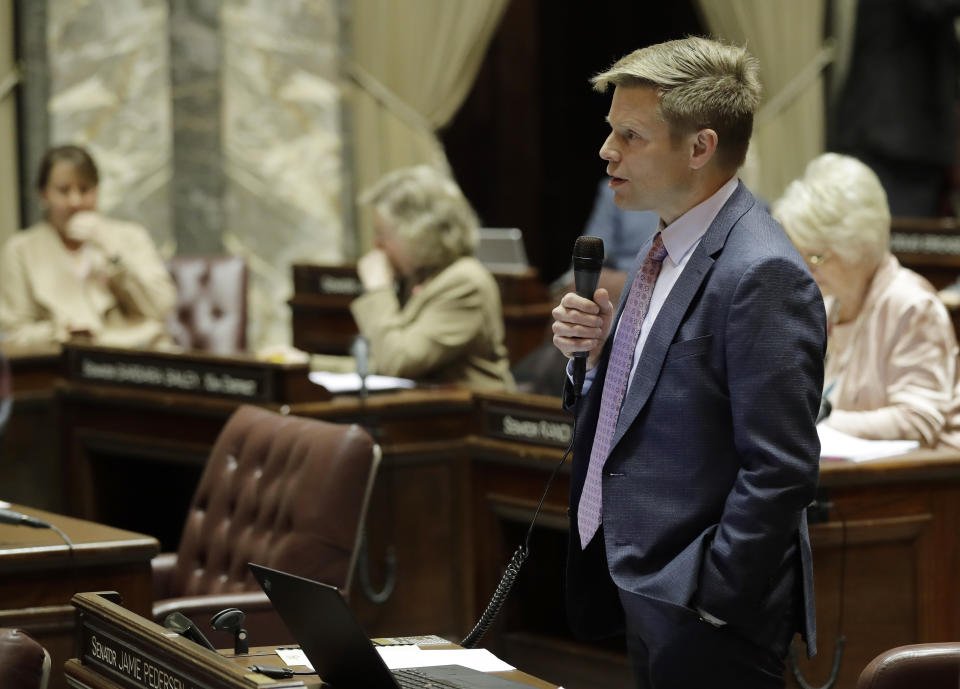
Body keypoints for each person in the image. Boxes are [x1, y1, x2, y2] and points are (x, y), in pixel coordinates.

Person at [550, 38, 826, 688]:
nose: (606, 150)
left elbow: (782, 469)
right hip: (646, 586)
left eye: (631, 135)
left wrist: (712, 596)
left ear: (700, 147)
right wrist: (588, 360)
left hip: (707, 614)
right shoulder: (666, 245)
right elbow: (646, 403)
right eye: (610, 130)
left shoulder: (762, 271)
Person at [773, 153, 960, 449]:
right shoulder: (828, 302)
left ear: (857, 245)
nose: (807, 268)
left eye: (817, 256)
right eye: (801, 253)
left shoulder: (911, 306)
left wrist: (819, 421)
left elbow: (919, 418)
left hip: (915, 483)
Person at [349, 165, 514, 391]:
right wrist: (304, 363)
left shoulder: (466, 281)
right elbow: (377, 359)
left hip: (466, 419)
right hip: (425, 412)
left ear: (418, 233)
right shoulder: (419, 276)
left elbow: (398, 361)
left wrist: (378, 290)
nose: (376, 245)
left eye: (382, 234)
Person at [0, 145, 176, 348]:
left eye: (84, 190)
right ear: (44, 194)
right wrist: (59, 332)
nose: (75, 201)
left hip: (136, 355)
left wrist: (113, 251)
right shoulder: (21, 249)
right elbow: (15, 333)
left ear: (97, 191)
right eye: (63, 191)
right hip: (63, 363)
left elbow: (162, 307)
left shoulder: (131, 237)